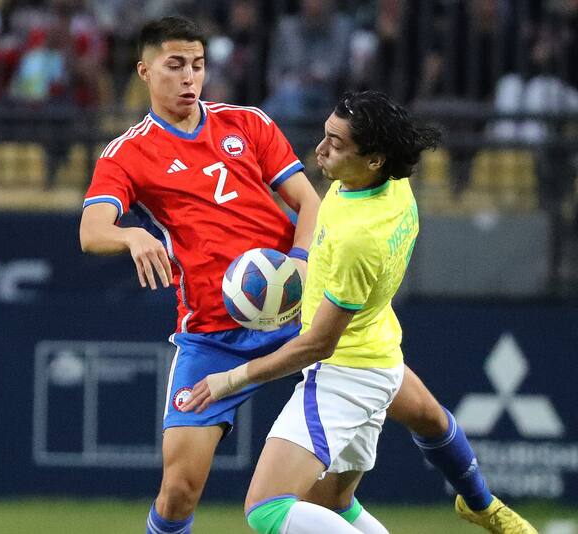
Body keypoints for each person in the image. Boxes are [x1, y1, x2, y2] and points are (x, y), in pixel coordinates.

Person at [80, 17, 535, 534]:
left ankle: (480, 503)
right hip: (212, 334)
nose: (189, 78)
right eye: (175, 65)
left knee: (423, 413)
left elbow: (309, 203)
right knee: (179, 490)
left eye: (199, 66)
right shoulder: (127, 153)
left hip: (298, 310)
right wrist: (132, 236)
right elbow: (92, 229)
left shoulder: (246, 123)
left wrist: (298, 261)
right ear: (144, 71)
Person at [180, 90, 538, 534]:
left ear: (373, 159)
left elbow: (317, 344)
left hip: (341, 375)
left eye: (336, 142)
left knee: (266, 509)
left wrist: (230, 379)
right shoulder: (393, 187)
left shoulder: (358, 239)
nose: (320, 149)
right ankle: (483, 504)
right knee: (333, 500)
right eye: (325, 134)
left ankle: (482, 505)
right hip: (379, 358)